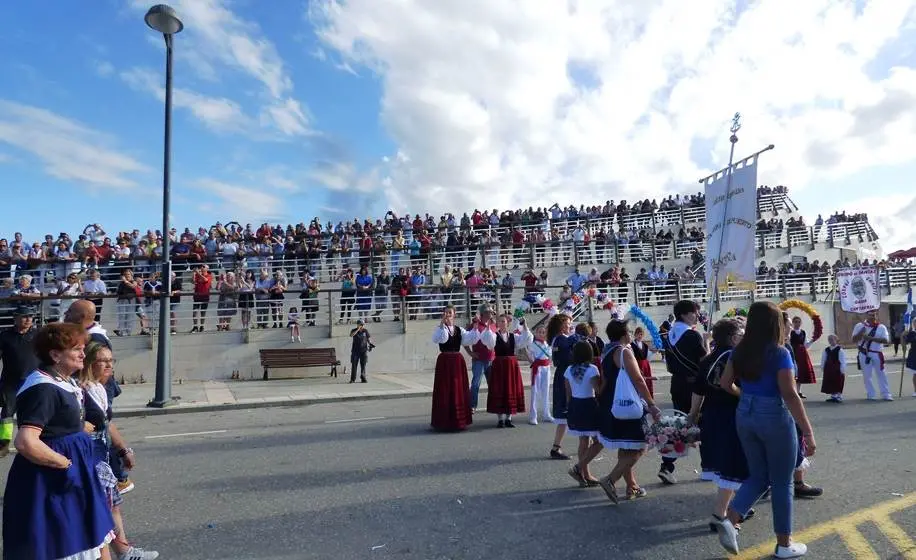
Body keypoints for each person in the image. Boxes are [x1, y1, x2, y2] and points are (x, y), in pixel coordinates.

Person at [2, 323, 116, 560]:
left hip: (75, 472)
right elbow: (26, 442)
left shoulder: (65, 380)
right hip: (53, 478)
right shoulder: (43, 388)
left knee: (94, 536)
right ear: (55, 355)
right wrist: (66, 464)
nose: (84, 354)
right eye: (77, 349)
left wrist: (77, 427)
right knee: (63, 542)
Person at [716, 301, 816, 558]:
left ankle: (731, 519)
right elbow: (790, 394)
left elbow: (726, 383)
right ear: (775, 324)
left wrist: (746, 397)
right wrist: (807, 431)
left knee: (759, 475)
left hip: (745, 413)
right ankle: (784, 544)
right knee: (782, 482)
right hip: (773, 414)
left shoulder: (740, 351)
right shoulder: (779, 352)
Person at [79, 342, 159, 560]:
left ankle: (124, 552)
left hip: (102, 457)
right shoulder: (79, 390)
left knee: (112, 506)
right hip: (87, 459)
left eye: (111, 361)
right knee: (101, 511)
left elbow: (107, 424)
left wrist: (124, 450)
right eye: (102, 361)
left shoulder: (99, 389)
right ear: (88, 363)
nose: (108, 365)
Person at [687, 318, 751, 532]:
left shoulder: (708, 358)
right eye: (741, 335)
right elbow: (739, 388)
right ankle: (719, 515)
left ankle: (738, 506)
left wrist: (693, 415)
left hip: (711, 415)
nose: (743, 338)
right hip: (731, 415)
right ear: (733, 337)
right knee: (732, 465)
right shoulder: (734, 357)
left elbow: (698, 390)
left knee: (725, 463)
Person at [596, 319, 661, 503]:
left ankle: (631, 485)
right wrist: (651, 404)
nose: (631, 335)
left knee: (626, 445)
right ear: (625, 334)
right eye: (630, 332)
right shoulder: (624, 351)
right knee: (641, 444)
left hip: (613, 402)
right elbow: (638, 380)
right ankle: (610, 479)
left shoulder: (607, 351)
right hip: (628, 404)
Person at [659, 299, 708, 484]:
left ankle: (667, 465)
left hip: (676, 384)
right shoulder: (692, 335)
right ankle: (709, 466)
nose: (697, 315)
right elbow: (705, 362)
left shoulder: (670, 334)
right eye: (693, 312)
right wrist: (707, 341)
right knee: (704, 423)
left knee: (679, 425)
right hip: (694, 385)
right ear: (683, 314)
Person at [430, 306, 481, 431]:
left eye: (450, 313)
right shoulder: (439, 329)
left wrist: (475, 327)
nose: (447, 315)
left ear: (454, 315)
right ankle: (443, 421)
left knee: (458, 389)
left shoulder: (459, 330)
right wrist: (442, 325)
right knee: (445, 389)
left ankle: (458, 420)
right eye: (446, 313)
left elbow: (470, 339)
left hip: (457, 361)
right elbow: (440, 339)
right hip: (445, 361)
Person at [0, 306, 39, 456]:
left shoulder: (38, 335)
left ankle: (32, 441)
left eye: (31, 316)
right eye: (24, 316)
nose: (29, 319)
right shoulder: (5, 336)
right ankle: (3, 444)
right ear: (15, 318)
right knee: (7, 415)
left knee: (33, 413)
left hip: (34, 382)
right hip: (11, 383)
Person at [564, 341, 602, 487]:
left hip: (574, 405)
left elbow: (568, 394)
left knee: (583, 441)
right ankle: (579, 468)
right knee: (599, 441)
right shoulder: (592, 369)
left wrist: (570, 408)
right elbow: (597, 390)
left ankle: (585, 474)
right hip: (589, 405)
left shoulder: (568, 370)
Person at [480, 315, 525, 428]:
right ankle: (500, 419)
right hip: (499, 366)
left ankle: (508, 419)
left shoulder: (513, 336)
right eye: (500, 321)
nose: (502, 323)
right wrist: (488, 326)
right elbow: (487, 342)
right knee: (499, 390)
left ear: (507, 323)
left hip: (511, 366)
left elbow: (526, 338)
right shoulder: (494, 336)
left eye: (504, 321)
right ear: (497, 324)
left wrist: (524, 325)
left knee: (510, 389)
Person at [547, 313, 577, 460]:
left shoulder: (559, 339)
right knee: (568, 410)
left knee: (570, 412)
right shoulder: (560, 339)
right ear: (560, 326)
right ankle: (556, 447)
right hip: (566, 376)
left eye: (569, 323)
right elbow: (568, 357)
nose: (569, 326)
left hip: (565, 374)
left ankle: (557, 447)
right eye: (566, 324)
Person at [851, 310, 892, 401]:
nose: (872, 317)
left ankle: (886, 394)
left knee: (881, 374)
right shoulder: (859, 326)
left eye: (874, 315)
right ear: (866, 315)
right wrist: (861, 332)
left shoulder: (881, 327)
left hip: (877, 353)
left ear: (876, 316)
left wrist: (870, 338)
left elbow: (886, 340)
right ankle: (871, 394)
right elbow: (854, 340)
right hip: (864, 353)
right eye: (870, 315)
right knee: (867, 375)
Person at [519, 324, 554, 425]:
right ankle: (533, 416)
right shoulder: (533, 344)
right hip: (537, 368)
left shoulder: (547, 344)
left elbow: (550, 356)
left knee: (546, 391)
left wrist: (549, 363)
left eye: (543, 332)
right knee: (535, 391)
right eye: (539, 332)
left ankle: (546, 414)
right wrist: (532, 361)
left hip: (546, 368)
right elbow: (525, 350)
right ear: (536, 333)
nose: (542, 334)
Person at [464, 304, 495, 413]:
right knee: (476, 384)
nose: (491, 314)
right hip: (479, 360)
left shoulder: (493, 325)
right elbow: (465, 340)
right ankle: (472, 405)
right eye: (489, 312)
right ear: (483, 314)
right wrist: (470, 353)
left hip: (491, 360)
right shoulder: (475, 325)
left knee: (492, 384)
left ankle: (493, 404)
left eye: (491, 312)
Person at [789, 316, 815, 398]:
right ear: (793, 323)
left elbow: (805, 345)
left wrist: (811, 341)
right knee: (794, 371)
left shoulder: (803, 332)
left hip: (802, 353)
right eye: (795, 322)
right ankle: (793, 391)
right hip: (793, 352)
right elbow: (789, 343)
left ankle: (798, 391)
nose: (797, 323)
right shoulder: (791, 332)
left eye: (799, 322)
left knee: (800, 372)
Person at [819, 334, 847, 403]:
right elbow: (824, 359)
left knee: (838, 381)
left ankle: (838, 396)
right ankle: (833, 395)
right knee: (830, 381)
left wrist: (842, 369)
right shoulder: (826, 350)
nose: (831, 341)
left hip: (837, 369)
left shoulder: (839, 350)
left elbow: (842, 360)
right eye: (829, 340)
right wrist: (822, 367)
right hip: (829, 368)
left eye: (832, 339)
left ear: (836, 340)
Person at [630, 326, 654, 398]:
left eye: (641, 334)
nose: (640, 336)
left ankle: (647, 398)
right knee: (639, 382)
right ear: (635, 335)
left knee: (647, 382)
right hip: (637, 365)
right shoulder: (631, 345)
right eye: (638, 334)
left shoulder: (645, 345)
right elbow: (631, 357)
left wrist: (653, 352)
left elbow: (647, 357)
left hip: (645, 366)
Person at [349, 319, 373, 384]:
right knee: (354, 365)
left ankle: (363, 378)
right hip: (355, 351)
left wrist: (370, 344)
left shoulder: (365, 331)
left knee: (363, 365)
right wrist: (358, 329)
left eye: (362, 325)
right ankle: (353, 379)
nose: (362, 326)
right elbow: (351, 335)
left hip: (363, 351)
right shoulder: (354, 330)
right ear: (357, 324)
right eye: (361, 324)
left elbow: (368, 338)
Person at [906, 319, 916, 397]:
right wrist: (903, 335)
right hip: (914, 355)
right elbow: (905, 342)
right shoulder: (912, 333)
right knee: (915, 374)